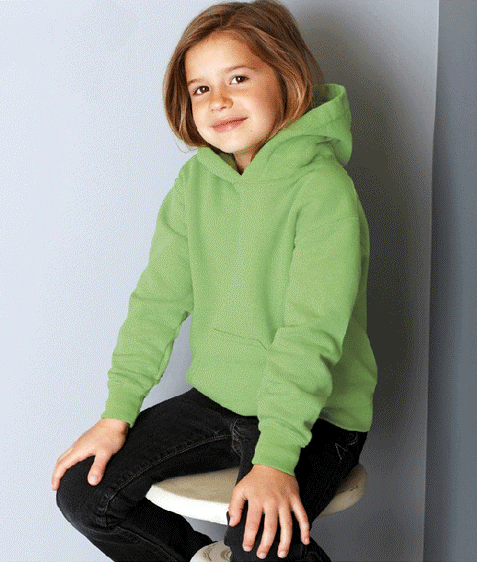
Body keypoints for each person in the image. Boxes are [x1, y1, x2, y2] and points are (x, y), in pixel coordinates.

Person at [52, 1, 377, 561]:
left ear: (288, 78)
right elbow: (156, 302)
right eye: (200, 89)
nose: (218, 100)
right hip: (220, 401)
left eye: (238, 78)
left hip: (318, 418)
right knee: (85, 493)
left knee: (258, 541)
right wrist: (117, 412)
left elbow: (310, 335)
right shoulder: (195, 185)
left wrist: (275, 458)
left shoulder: (322, 191)